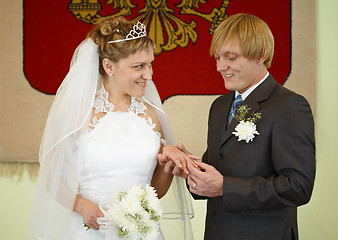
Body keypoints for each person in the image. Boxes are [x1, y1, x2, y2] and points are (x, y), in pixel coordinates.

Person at [28, 17, 197, 240]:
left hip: (141, 233)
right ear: (109, 66)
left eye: (150, 64)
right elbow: (53, 176)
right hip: (88, 231)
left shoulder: (152, 114)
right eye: (139, 66)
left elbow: (155, 191)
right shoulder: (77, 113)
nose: (149, 75)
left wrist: (170, 166)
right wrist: (82, 206)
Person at [159, 13, 316, 240]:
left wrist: (225, 187)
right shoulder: (220, 106)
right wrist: (191, 170)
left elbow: (298, 186)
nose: (221, 67)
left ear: (261, 55)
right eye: (218, 58)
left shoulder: (289, 105)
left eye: (231, 57)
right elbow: (218, 170)